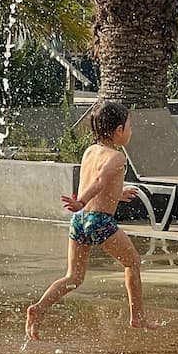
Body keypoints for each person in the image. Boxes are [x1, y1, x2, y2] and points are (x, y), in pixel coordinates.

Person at [25, 100, 159, 341]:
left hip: (80, 219)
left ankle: (39, 309)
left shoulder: (90, 151)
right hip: (98, 219)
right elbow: (97, 183)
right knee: (133, 263)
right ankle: (137, 316)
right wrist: (81, 200)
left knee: (73, 277)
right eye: (130, 126)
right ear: (118, 130)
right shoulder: (117, 157)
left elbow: (98, 185)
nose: (131, 131)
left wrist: (116, 194)